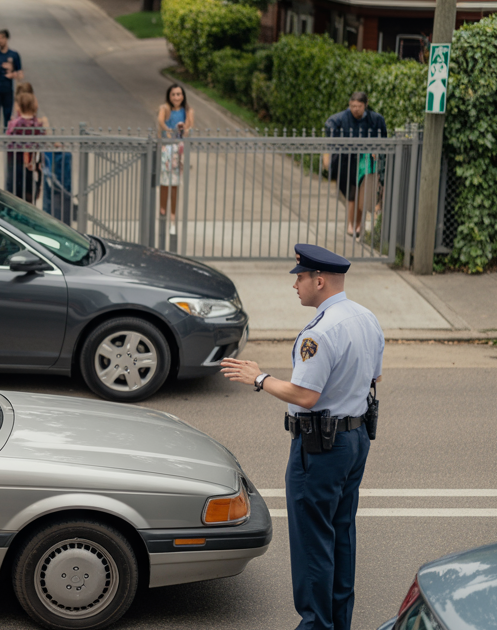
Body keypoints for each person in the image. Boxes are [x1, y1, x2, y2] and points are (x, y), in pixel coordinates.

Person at [220, 243, 383, 630]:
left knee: (312, 541)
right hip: (354, 439)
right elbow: (374, 377)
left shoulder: (321, 332)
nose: (295, 285)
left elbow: (305, 395)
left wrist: (260, 378)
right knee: (341, 533)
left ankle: (315, 625)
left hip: (320, 448)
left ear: (320, 280)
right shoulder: (366, 318)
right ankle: (337, 621)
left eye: (300, 277)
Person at [323, 92, 387, 240]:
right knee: (351, 194)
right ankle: (351, 225)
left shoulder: (375, 119)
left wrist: (377, 150)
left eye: (358, 106)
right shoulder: (342, 118)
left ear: (365, 105)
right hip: (348, 160)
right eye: (352, 106)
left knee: (362, 195)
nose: (355, 109)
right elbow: (329, 125)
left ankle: (358, 224)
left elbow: (383, 137)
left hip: (366, 161)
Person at [157, 84, 192, 235]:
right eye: (173, 94)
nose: (176, 97)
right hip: (166, 150)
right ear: (169, 96)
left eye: (179, 94)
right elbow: (160, 122)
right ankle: (162, 213)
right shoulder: (165, 108)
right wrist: (168, 130)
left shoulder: (187, 111)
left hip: (178, 151)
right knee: (164, 183)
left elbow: (189, 127)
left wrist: (184, 128)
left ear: (183, 96)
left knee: (175, 185)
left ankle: (172, 218)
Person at [6, 92, 46, 203]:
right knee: (29, 196)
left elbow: (8, 140)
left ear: (19, 106)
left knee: (14, 196)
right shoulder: (37, 123)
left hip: (16, 163)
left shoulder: (14, 123)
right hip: (33, 165)